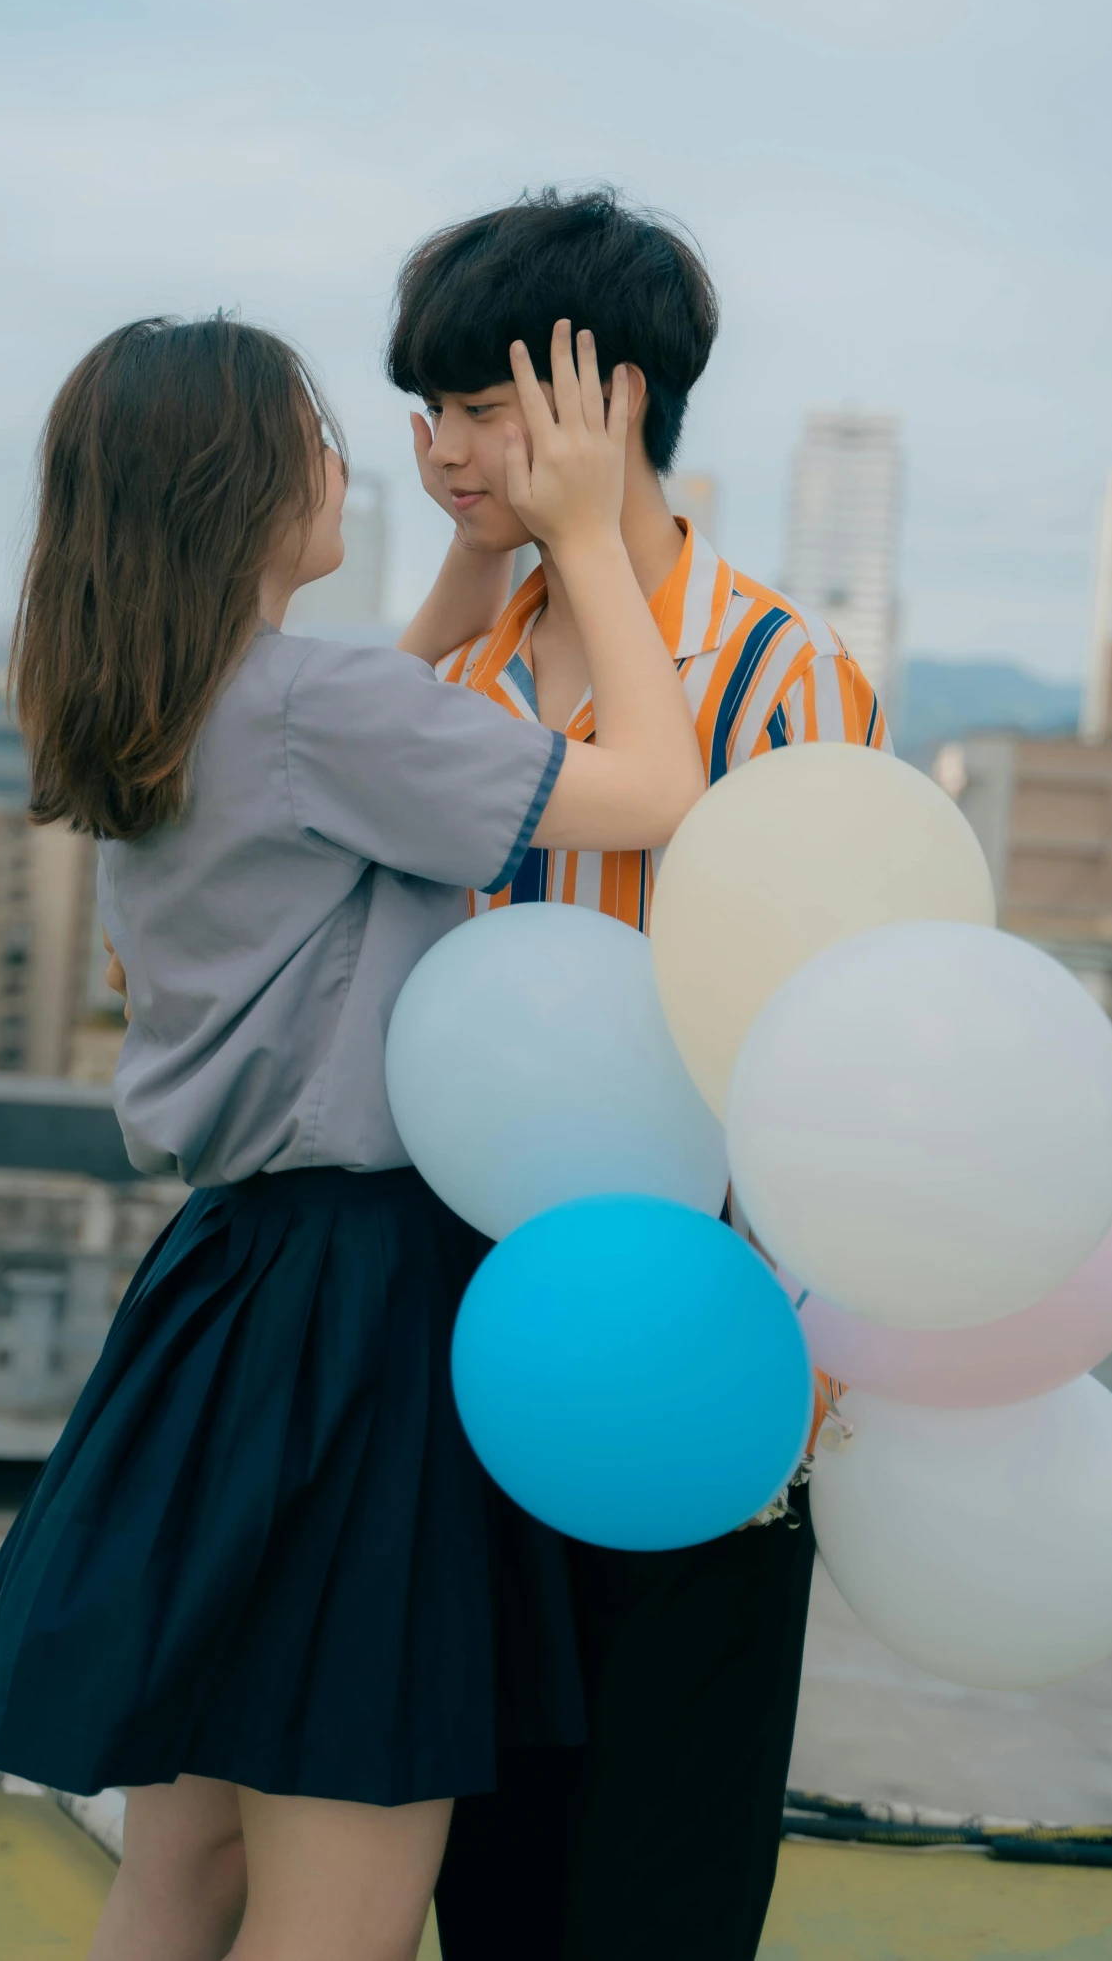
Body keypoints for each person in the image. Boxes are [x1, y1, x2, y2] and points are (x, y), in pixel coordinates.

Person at [0, 310, 705, 1961]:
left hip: (232, 1290)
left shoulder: (155, 692)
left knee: (184, 1865)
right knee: (346, 1896)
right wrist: (577, 534)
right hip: (370, 1307)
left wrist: (461, 586)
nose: (353, 457)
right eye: (314, 432)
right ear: (240, 479)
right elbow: (654, 787)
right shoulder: (314, 708)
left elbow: (372, 711)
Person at [387, 189, 891, 1961]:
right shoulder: (450, 671)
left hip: (709, 1367)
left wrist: (804, 1339)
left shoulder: (781, 671)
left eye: (477, 404)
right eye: (423, 414)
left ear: (603, 400)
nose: (442, 451)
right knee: (495, 1888)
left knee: (659, 1896)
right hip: (475, 1361)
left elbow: (837, 1025)